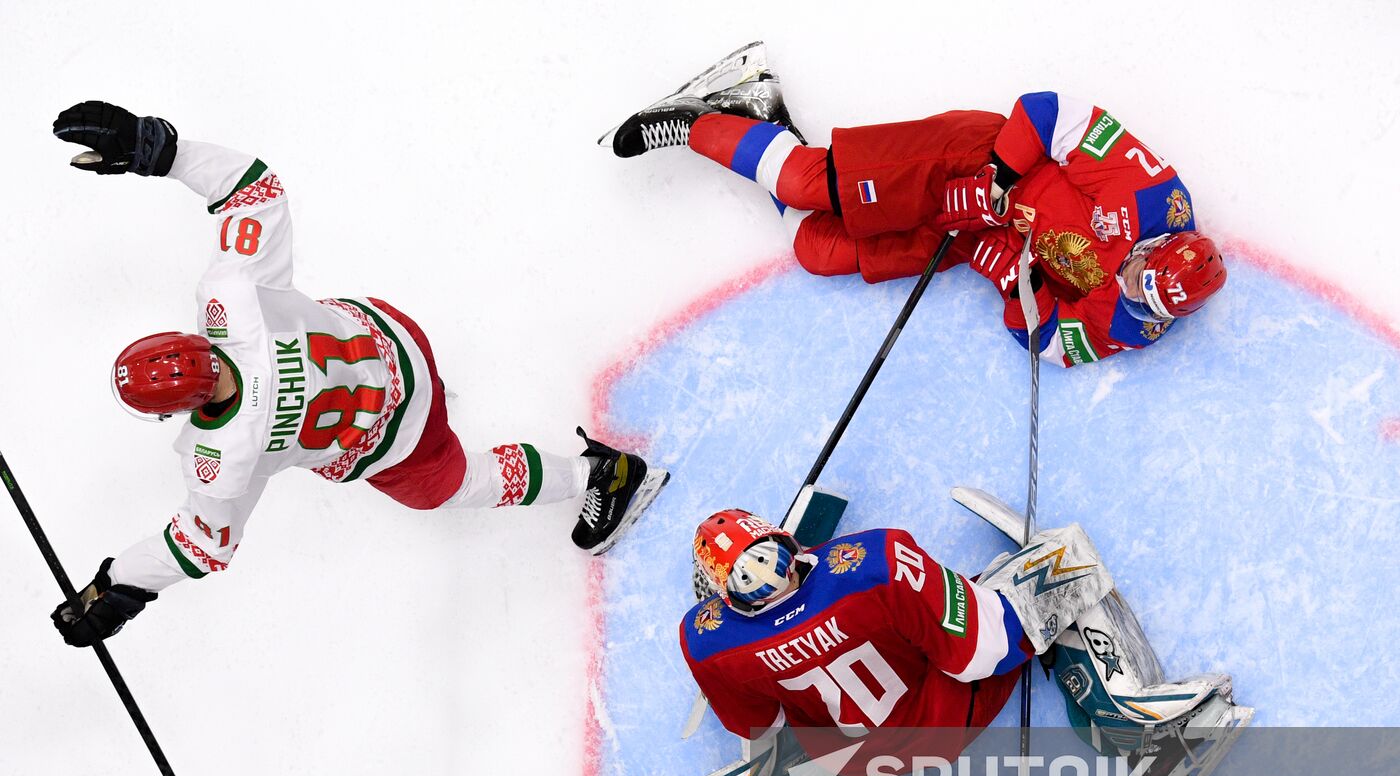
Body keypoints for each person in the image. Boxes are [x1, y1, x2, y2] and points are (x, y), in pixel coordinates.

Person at [48, 100, 669, 648]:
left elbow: (199, 546)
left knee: (451, 487)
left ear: (171, 412)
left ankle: (604, 477)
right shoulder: (229, 295)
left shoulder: (223, 455)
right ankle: (435, 387)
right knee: (329, 326)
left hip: (402, 438)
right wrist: (156, 147)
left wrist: (115, 591)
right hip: (395, 339)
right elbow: (253, 191)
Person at [604, 43, 1227, 367]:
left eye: (1143, 292)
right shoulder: (1152, 195)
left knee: (815, 249)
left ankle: (759, 114)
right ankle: (700, 118)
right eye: (1141, 271)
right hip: (974, 159)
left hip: (980, 240)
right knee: (802, 185)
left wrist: (1014, 283)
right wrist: (1000, 180)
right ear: (1158, 245)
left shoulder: (1133, 324)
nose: (1130, 282)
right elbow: (1048, 108)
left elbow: (1047, 347)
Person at [679, 506, 1252, 776]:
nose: (763, 576)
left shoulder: (704, 640)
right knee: (1060, 569)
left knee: (795, 738)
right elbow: (979, 649)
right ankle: (1152, 742)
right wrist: (1003, 593)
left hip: (854, 759)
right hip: (940, 719)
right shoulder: (874, 557)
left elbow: (763, 726)